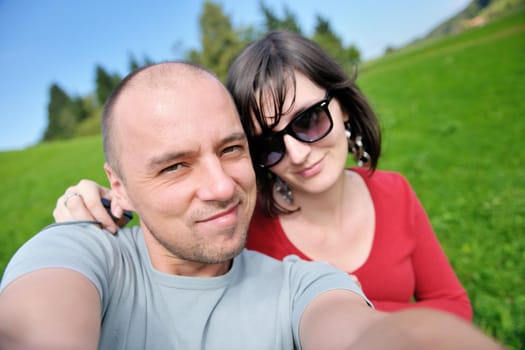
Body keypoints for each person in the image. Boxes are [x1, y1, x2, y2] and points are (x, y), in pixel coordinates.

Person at [0, 61, 503, 350]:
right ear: (120, 185)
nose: (221, 188)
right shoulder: (84, 251)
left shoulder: (297, 279)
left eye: (231, 149)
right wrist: (103, 209)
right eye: (174, 165)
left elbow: (359, 331)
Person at [54, 31, 472, 320]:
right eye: (268, 144)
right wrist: (107, 202)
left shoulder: (394, 191)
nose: (297, 153)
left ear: (342, 104)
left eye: (309, 120)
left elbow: (454, 305)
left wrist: (353, 314)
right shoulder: (241, 226)